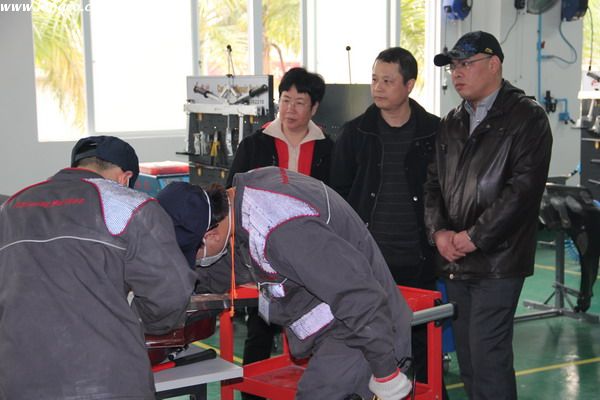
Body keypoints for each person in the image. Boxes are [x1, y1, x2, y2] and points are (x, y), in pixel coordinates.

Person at [155, 166, 414, 400]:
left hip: (365, 327)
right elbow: (223, 269)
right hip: (339, 319)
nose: (197, 261)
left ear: (211, 235)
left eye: (194, 254)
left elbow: (359, 296)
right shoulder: (239, 205)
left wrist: (386, 373)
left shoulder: (282, 229)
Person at [0, 135, 197, 399]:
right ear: (125, 178)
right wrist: (147, 324)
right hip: (106, 380)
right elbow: (171, 293)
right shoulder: (131, 206)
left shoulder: (10, 207)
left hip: (18, 378)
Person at [425, 31, 552, 400]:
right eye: (453, 66)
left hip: (499, 261)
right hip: (455, 258)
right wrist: (439, 232)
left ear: (494, 64)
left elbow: (522, 192)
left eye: (466, 64)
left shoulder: (526, 117)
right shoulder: (451, 121)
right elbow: (433, 183)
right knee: (468, 358)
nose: (457, 73)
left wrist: (474, 237)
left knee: (488, 358)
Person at [330, 47, 441, 390]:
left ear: (409, 85)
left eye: (388, 81)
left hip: (418, 256)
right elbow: (338, 194)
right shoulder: (355, 133)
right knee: (370, 339)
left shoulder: (435, 132)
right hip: (369, 261)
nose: (377, 87)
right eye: (374, 79)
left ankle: (425, 392)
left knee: (421, 340)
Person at [226, 66, 334, 399]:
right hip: (264, 255)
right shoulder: (255, 144)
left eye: (299, 103)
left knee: (316, 328)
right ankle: (251, 395)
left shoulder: (329, 149)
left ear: (314, 107)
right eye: (285, 100)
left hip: (314, 255)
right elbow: (233, 191)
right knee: (260, 328)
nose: (290, 109)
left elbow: (338, 199)